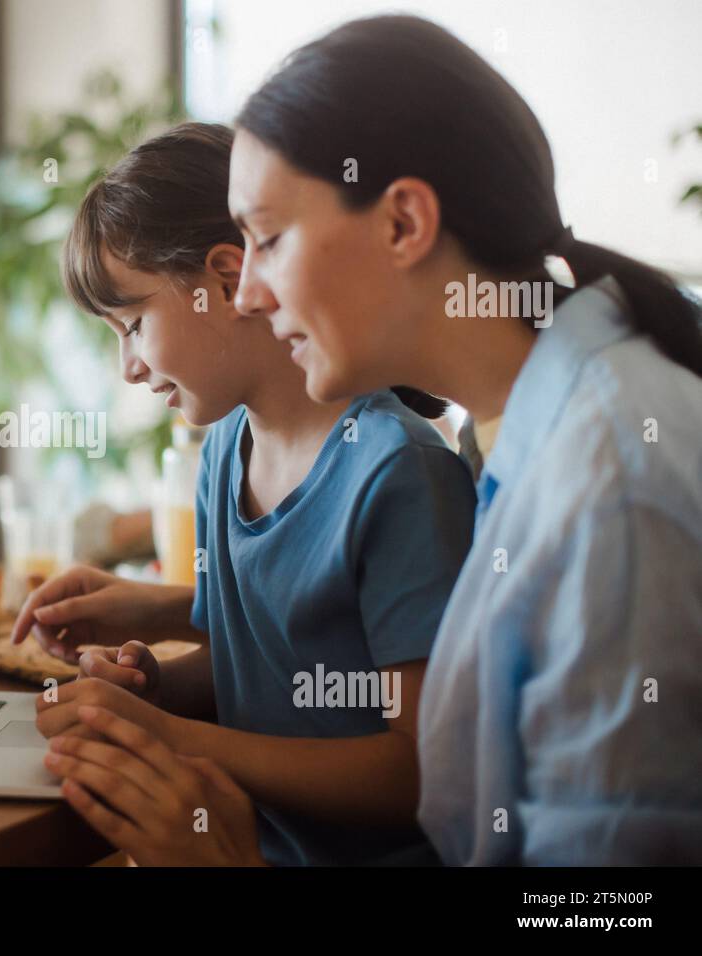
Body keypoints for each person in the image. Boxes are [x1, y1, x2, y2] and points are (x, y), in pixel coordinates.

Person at [220, 14, 702, 864]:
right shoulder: (503, 435)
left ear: (404, 221)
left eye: (268, 238)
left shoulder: (610, 481)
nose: (245, 296)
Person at [14, 121, 477, 865]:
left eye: (133, 324)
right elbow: (268, 680)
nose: (127, 367)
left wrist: (178, 739)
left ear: (226, 284)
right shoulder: (227, 448)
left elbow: (418, 768)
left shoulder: (397, 474)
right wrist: (156, 686)